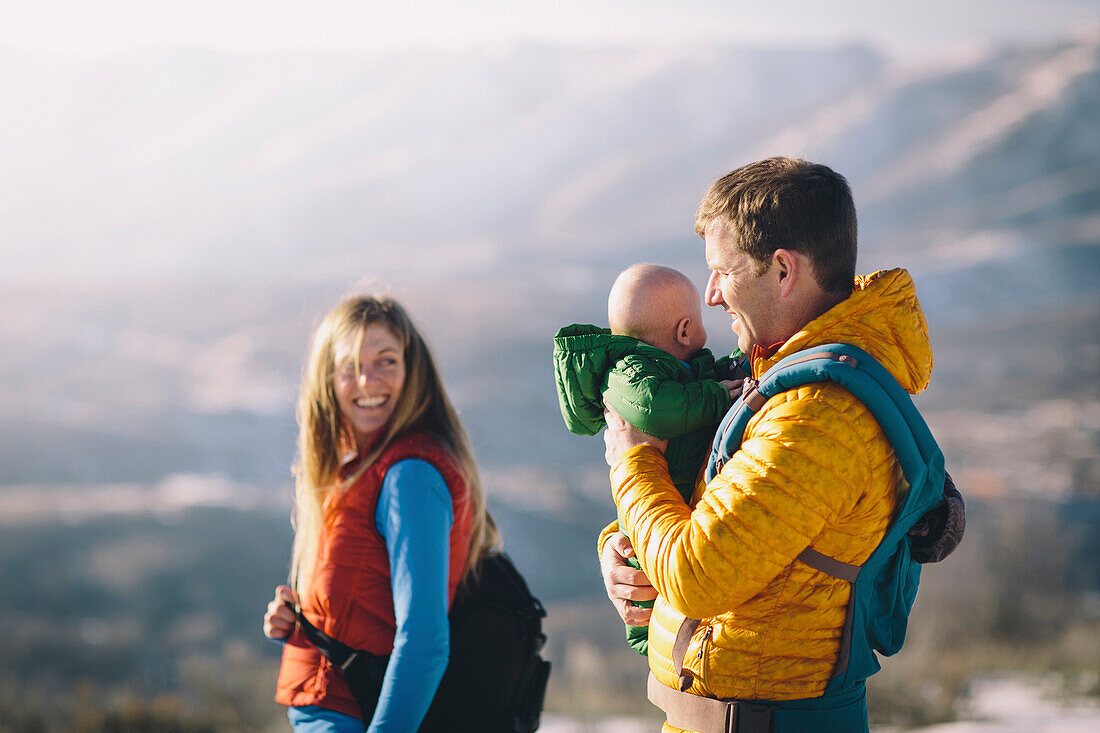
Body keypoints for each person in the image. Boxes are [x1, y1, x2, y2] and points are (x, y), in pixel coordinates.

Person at [599, 157, 935, 731]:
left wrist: (632, 462)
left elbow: (697, 575)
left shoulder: (819, 418)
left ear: (783, 270)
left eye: (722, 272)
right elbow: (717, 505)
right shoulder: (775, 377)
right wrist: (622, 548)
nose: (710, 297)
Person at [262, 295, 500, 732]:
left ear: (413, 372)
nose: (367, 380)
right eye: (349, 366)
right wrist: (299, 618)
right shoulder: (361, 466)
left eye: (385, 361)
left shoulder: (409, 477)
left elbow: (424, 643)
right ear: (328, 379)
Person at [553, 263, 747, 655]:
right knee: (644, 587)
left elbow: (710, 373)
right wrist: (717, 396)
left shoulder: (670, 369)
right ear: (685, 331)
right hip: (664, 530)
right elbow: (654, 408)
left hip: (670, 510)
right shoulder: (632, 372)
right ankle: (648, 634)